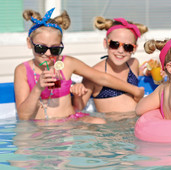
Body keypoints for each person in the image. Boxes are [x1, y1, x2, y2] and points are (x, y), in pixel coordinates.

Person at [14, 8, 144, 122]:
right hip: (40, 127)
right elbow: (23, 116)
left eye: (54, 49)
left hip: (70, 122)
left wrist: (134, 90)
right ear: (29, 43)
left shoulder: (67, 63)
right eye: (41, 48)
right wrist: (37, 88)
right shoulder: (22, 70)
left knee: (98, 122)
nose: (48, 54)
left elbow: (101, 77)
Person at [71, 17, 148, 114]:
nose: (120, 51)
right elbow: (78, 109)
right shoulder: (94, 74)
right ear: (105, 43)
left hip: (137, 122)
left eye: (127, 47)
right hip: (113, 126)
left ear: (134, 49)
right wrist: (77, 94)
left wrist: (147, 72)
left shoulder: (133, 64)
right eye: (114, 44)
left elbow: (139, 77)